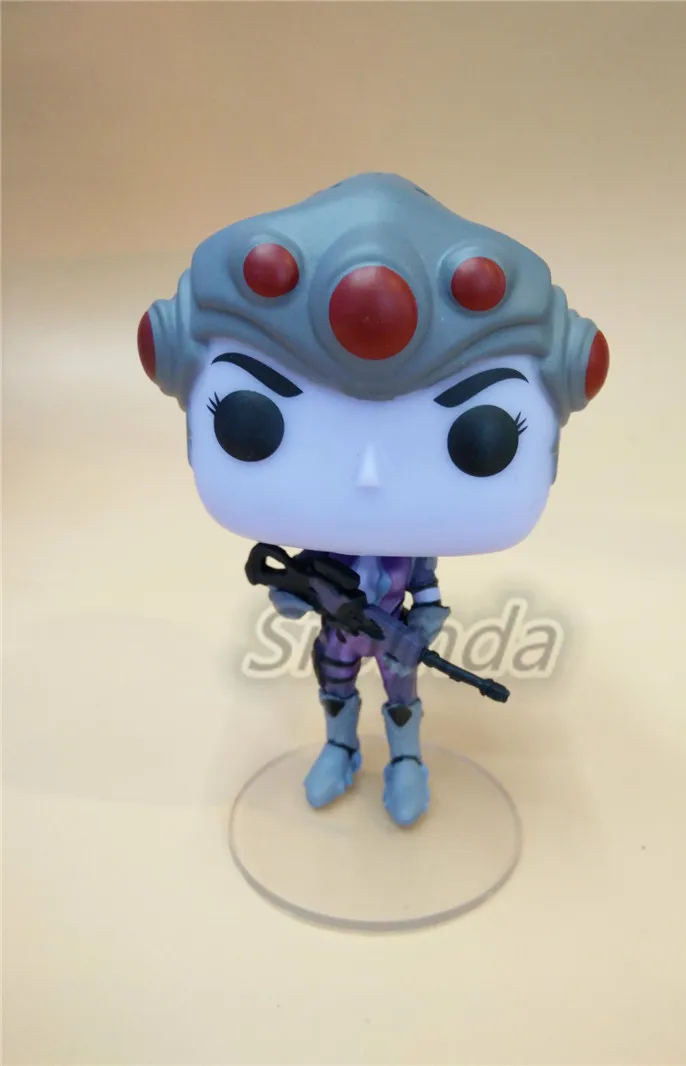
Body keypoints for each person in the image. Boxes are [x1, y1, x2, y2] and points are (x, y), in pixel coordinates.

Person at [137, 173, 609, 827]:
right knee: (334, 690)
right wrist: (295, 595)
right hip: (339, 631)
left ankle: (407, 761)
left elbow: (426, 585)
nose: (368, 477)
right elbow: (290, 586)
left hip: (390, 632)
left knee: (402, 696)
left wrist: (425, 620)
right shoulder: (320, 541)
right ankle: (339, 749)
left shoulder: (407, 552)